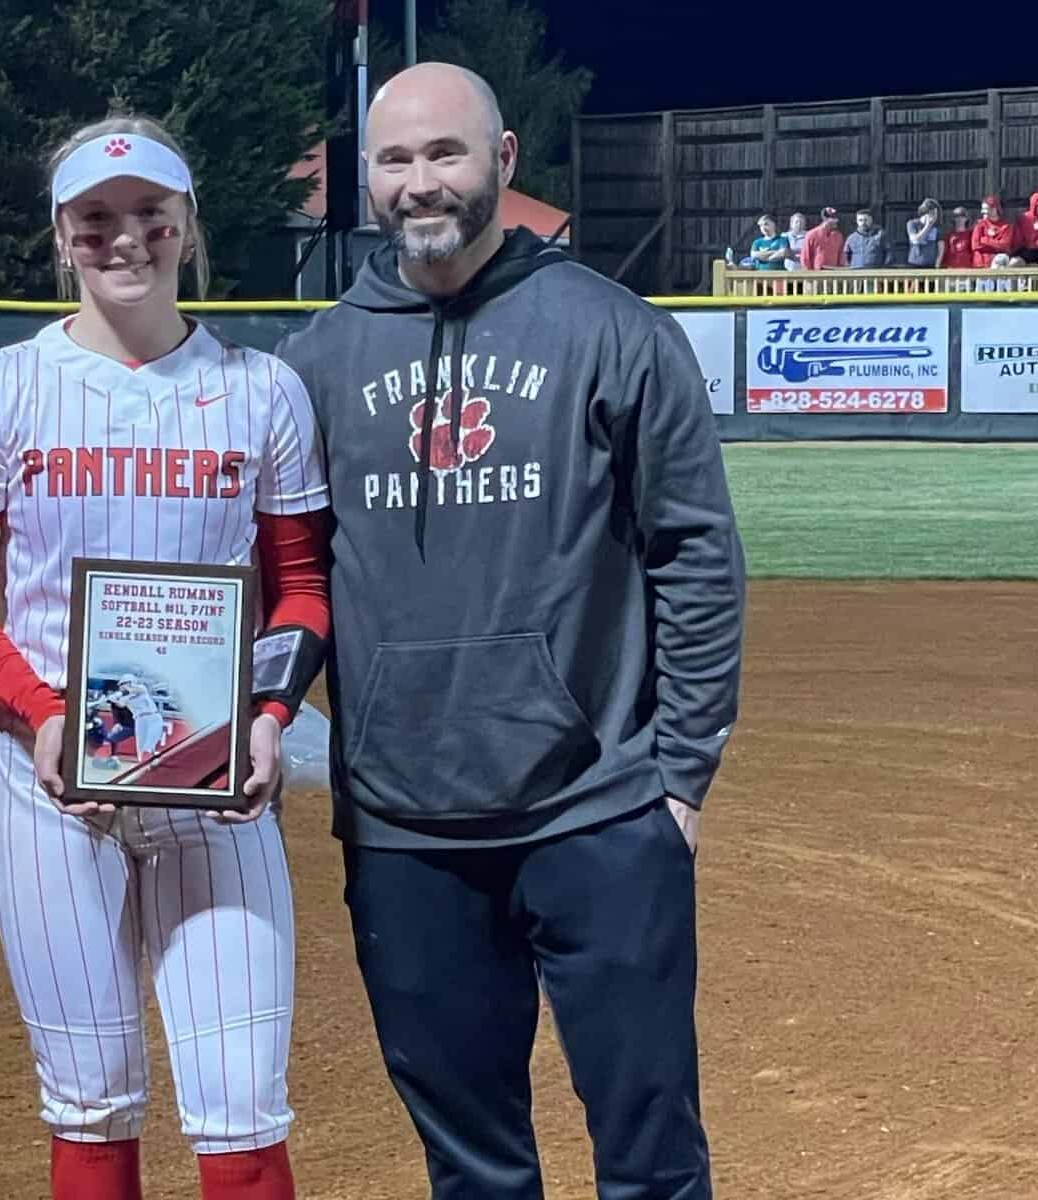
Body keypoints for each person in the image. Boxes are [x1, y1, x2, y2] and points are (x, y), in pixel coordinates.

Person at [277, 63, 744, 1200]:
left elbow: (696, 555)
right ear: (367, 181)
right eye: (395, 159)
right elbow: (282, 579)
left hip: (600, 815)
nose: (419, 182)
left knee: (651, 1157)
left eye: (446, 153)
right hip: (405, 833)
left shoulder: (612, 331)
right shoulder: (319, 364)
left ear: (505, 160)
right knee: (473, 1168)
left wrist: (676, 781)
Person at [0, 114, 332, 1200]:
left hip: (216, 783)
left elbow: (303, 590)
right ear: (62, 234)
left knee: (243, 1106)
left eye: (151, 215)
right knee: (92, 1099)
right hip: (51, 779)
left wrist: (270, 721)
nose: (125, 238)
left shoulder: (261, 390)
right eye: (96, 218)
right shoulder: (2, 388)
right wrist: (43, 710)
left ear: (186, 227)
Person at [972, 195, 1015, 267]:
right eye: (982, 209)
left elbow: (1004, 245)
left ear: (994, 209)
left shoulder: (1006, 226)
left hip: (999, 264)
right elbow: (975, 245)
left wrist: (984, 240)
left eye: (986, 209)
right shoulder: (979, 224)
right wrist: (995, 245)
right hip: (981, 263)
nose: (982, 211)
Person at [906, 199, 942, 268]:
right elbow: (915, 240)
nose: (934, 217)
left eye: (935, 214)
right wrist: (928, 225)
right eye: (932, 214)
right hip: (914, 263)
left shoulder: (937, 228)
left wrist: (937, 263)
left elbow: (940, 247)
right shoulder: (912, 223)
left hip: (930, 265)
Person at [942, 205, 976, 270]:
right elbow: (945, 252)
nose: (959, 219)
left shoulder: (971, 234)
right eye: (956, 216)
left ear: (966, 218)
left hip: (967, 268)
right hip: (951, 268)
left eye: (962, 216)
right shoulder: (948, 236)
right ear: (953, 219)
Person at [1015, 191, 1038, 264]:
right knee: (1014, 263)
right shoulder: (1024, 218)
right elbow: (1018, 237)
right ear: (1034, 205)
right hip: (1026, 250)